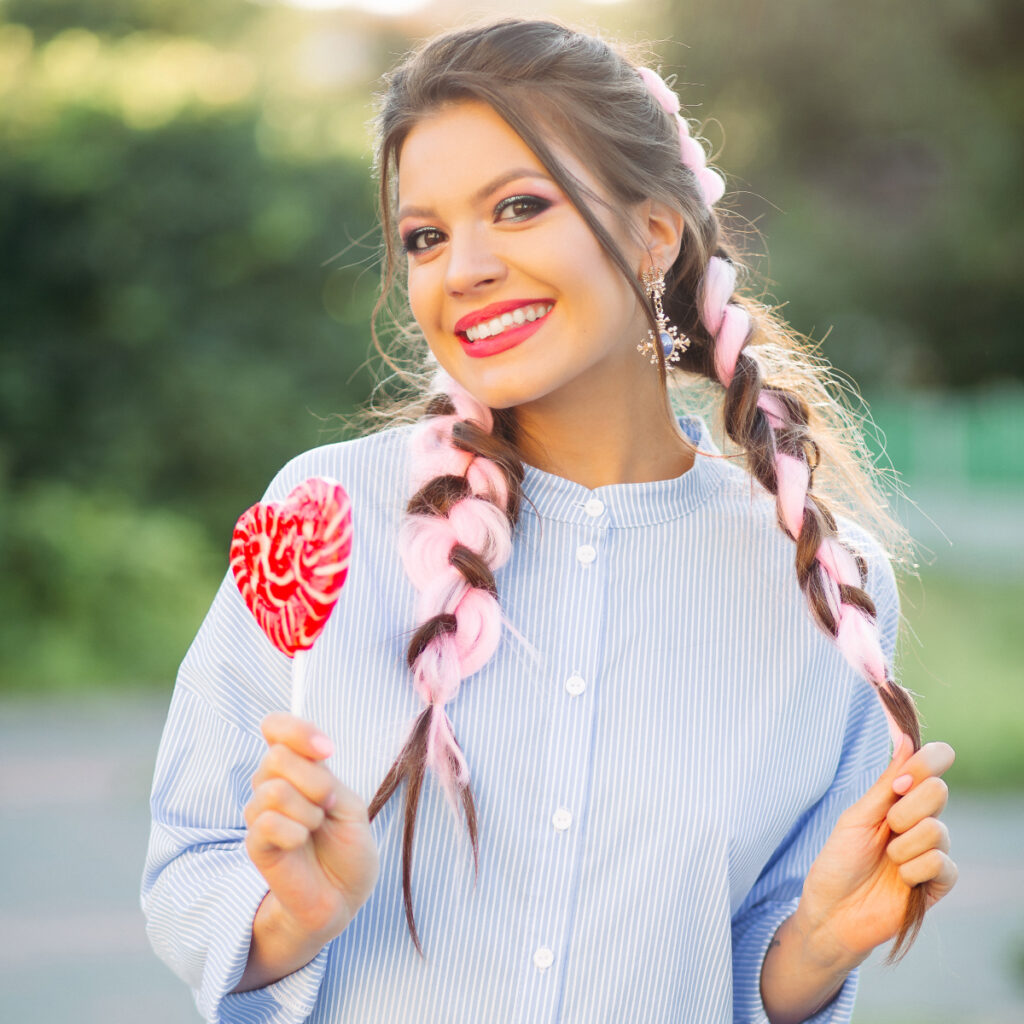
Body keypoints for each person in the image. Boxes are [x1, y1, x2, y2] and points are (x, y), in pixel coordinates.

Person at [142, 17, 957, 1024]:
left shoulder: (823, 585)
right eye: (426, 237)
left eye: (519, 207)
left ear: (655, 230)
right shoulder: (324, 516)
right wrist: (287, 920)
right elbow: (194, 856)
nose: (463, 268)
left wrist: (815, 953)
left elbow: (751, 971)